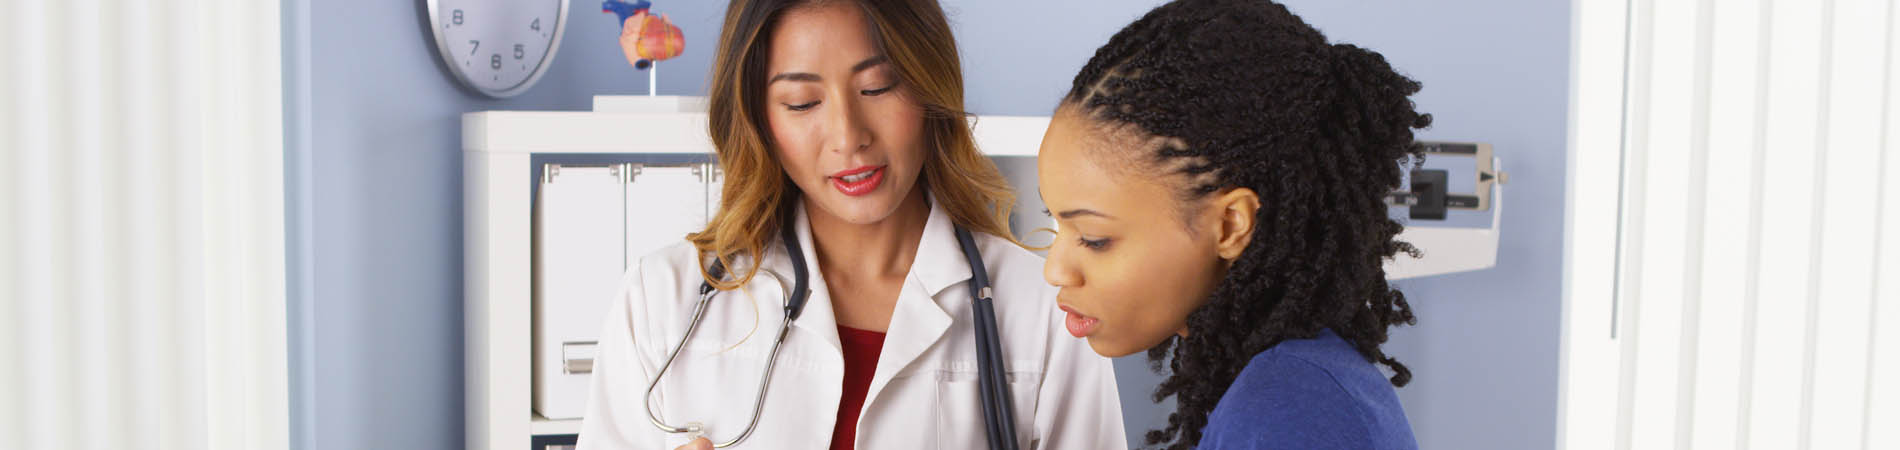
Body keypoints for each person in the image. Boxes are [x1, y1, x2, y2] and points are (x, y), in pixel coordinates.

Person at [576, 1, 1126, 449]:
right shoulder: (660, 299)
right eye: (802, 101)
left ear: (931, 87)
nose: (848, 135)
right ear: (758, 118)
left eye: (878, 88)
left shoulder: (1047, 311)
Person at [1036, 0, 1431, 448]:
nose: (1055, 270)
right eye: (1055, 224)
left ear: (1229, 226)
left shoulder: (1288, 413)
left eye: (1093, 239)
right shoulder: (1294, 385)